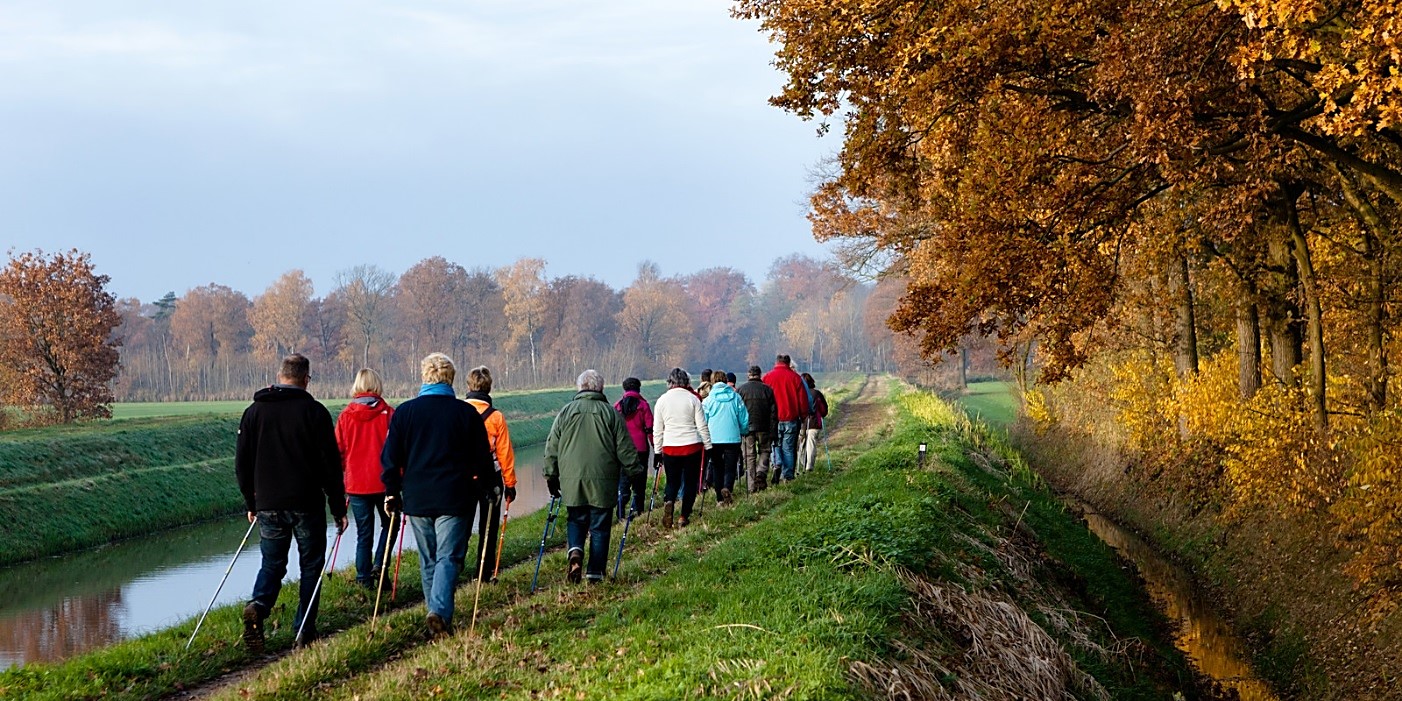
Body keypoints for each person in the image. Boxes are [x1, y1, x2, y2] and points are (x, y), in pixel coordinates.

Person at [381, 353, 498, 639]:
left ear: (424, 377)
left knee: (429, 558)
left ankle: (436, 614)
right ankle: (439, 612)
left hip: (418, 497)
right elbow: (482, 458)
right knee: (449, 557)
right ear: (451, 378)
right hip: (455, 496)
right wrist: (489, 485)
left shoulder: (405, 413)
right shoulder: (465, 413)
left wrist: (391, 490)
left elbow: (390, 457)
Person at [236, 354, 347, 652]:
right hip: (306, 502)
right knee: (311, 565)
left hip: (268, 503)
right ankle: (304, 630)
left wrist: (251, 501)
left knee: (272, 563)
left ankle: (259, 604)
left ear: (280, 375)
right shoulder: (314, 412)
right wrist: (338, 508)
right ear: (306, 379)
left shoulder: (253, 412)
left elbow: (242, 463)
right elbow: (330, 466)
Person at [542, 370, 641, 584]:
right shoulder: (610, 413)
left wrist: (551, 476)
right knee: (600, 526)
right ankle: (595, 574)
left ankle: (575, 552)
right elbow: (625, 448)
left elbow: (552, 447)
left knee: (576, 519)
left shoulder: (566, 412)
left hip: (571, 480)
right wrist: (635, 473)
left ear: (579, 388)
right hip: (603, 480)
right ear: (601, 388)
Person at [335, 368, 395, 588]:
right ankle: (380, 564)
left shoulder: (345, 416)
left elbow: (338, 452)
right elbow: (397, 450)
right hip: (384, 483)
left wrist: (346, 473)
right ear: (377, 385)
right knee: (390, 525)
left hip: (357, 484)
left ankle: (363, 578)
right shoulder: (389, 414)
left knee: (364, 533)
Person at [463, 366, 516, 584]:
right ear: (489, 387)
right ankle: (483, 572)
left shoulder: (458, 411)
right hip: (490, 477)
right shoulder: (496, 417)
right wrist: (510, 483)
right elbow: (504, 452)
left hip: (463, 476)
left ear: (469, 386)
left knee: (461, 524)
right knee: (489, 526)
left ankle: (453, 566)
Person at [653, 368, 711, 527]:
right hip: (692, 446)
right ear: (686, 381)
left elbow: (657, 430)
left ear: (669, 382)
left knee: (672, 481)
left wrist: (657, 452)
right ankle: (684, 516)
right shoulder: (693, 399)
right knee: (691, 483)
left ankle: (669, 501)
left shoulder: (662, 401)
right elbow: (702, 426)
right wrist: (708, 445)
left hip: (670, 447)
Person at [702, 369, 748, 505]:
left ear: (712, 381)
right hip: (733, 437)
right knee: (730, 467)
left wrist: (703, 437)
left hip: (714, 439)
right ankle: (727, 488)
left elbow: (704, 419)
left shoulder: (708, 400)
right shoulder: (736, 397)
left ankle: (719, 499)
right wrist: (743, 430)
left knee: (717, 467)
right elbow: (744, 417)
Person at [763, 354, 809, 483]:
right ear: (789, 363)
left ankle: (777, 464)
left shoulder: (767, 377)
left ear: (776, 362)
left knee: (775, 445)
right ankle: (787, 476)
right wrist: (804, 416)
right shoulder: (795, 378)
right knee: (788, 448)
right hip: (791, 418)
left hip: (773, 420)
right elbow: (802, 401)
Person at [614, 376, 654, 519]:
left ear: (624, 389)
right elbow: (650, 429)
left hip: (622, 449)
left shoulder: (617, 406)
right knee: (639, 481)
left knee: (623, 481)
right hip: (641, 448)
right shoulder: (643, 405)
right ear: (638, 388)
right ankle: (638, 511)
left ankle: (620, 514)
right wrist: (655, 446)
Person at [736, 365, 777, 493]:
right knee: (765, 450)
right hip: (764, 427)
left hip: (747, 428)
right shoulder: (768, 390)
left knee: (749, 455)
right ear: (760, 375)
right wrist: (773, 431)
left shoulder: (741, 390)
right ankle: (761, 472)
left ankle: (751, 486)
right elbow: (773, 413)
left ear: (748, 375)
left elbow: (738, 412)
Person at [797, 372, 829, 472]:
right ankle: (809, 466)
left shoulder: (799, 394)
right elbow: (824, 410)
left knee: (801, 445)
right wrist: (821, 415)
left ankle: (802, 463)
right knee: (811, 444)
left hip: (801, 424)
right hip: (815, 423)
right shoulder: (817, 393)